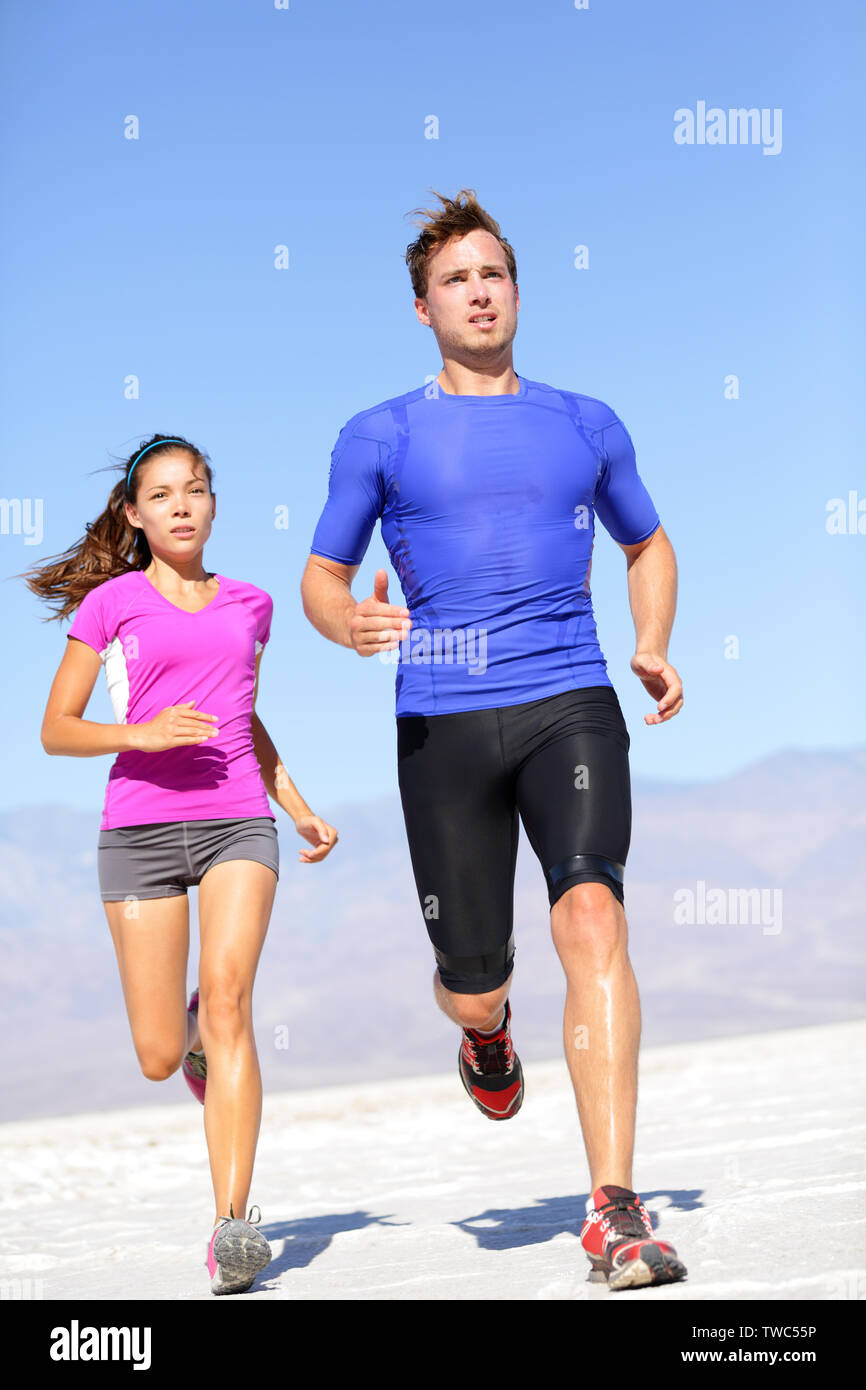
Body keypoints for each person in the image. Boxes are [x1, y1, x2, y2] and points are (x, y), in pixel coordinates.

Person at [300, 189, 686, 1291]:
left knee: (591, 911)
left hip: (569, 696)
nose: (478, 291)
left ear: (516, 290)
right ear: (421, 309)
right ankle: (482, 1030)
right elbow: (320, 581)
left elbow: (647, 542)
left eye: (493, 272)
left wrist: (649, 640)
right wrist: (351, 622)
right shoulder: (380, 432)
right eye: (454, 279)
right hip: (441, 720)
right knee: (473, 977)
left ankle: (612, 1205)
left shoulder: (584, 422)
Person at [24, 434, 337, 1295]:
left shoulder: (252, 605)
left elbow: (246, 720)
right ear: (134, 514)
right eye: (161, 495)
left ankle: (231, 1225)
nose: (181, 505)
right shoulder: (112, 606)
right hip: (140, 831)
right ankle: (193, 1031)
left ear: (212, 501)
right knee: (161, 1055)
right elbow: (56, 729)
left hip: (238, 820)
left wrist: (297, 805)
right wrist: (142, 733)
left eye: (195, 489)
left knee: (234, 999)